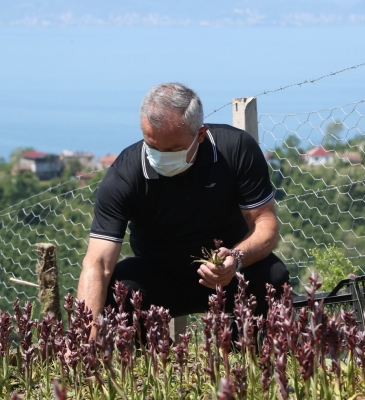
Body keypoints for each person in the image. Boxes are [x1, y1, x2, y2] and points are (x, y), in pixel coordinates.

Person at [77, 82, 290, 330]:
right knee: (118, 288)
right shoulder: (125, 175)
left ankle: (249, 358)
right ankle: (152, 365)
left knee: (274, 276)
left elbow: (266, 223)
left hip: (228, 271)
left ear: (200, 135)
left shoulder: (235, 149)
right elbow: (97, 264)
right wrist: (83, 344)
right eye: (152, 146)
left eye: (173, 149)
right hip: (160, 276)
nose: (160, 156)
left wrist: (236, 258)